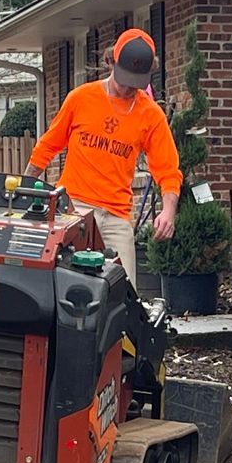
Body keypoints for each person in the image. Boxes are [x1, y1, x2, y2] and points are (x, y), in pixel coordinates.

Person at [28, 28, 180, 284]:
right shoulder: (81, 98)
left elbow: (167, 169)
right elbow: (48, 145)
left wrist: (168, 211)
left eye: (136, 82)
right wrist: (26, 184)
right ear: (111, 62)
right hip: (73, 209)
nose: (129, 88)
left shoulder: (151, 115)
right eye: (125, 79)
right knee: (62, 284)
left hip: (116, 217)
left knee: (125, 291)